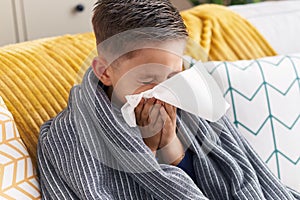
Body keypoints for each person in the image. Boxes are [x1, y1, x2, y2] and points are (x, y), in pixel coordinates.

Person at [37, 0, 300, 199]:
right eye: (147, 77)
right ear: (104, 72)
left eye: (173, 75)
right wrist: (147, 151)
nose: (163, 89)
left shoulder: (191, 96)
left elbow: (238, 180)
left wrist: (170, 145)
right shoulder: (66, 139)